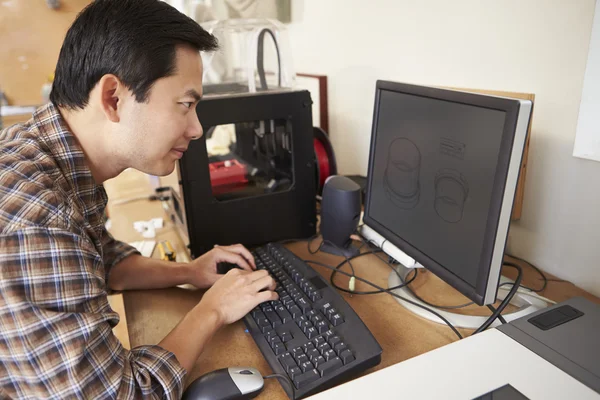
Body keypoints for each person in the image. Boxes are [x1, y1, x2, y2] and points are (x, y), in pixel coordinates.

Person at [0, 0, 278, 398]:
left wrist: (190, 272)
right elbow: (123, 394)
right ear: (113, 97)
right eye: (186, 104)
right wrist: (213, 309)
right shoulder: (38, 220)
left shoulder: (46, 155)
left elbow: (103, 260)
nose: (197, 128)